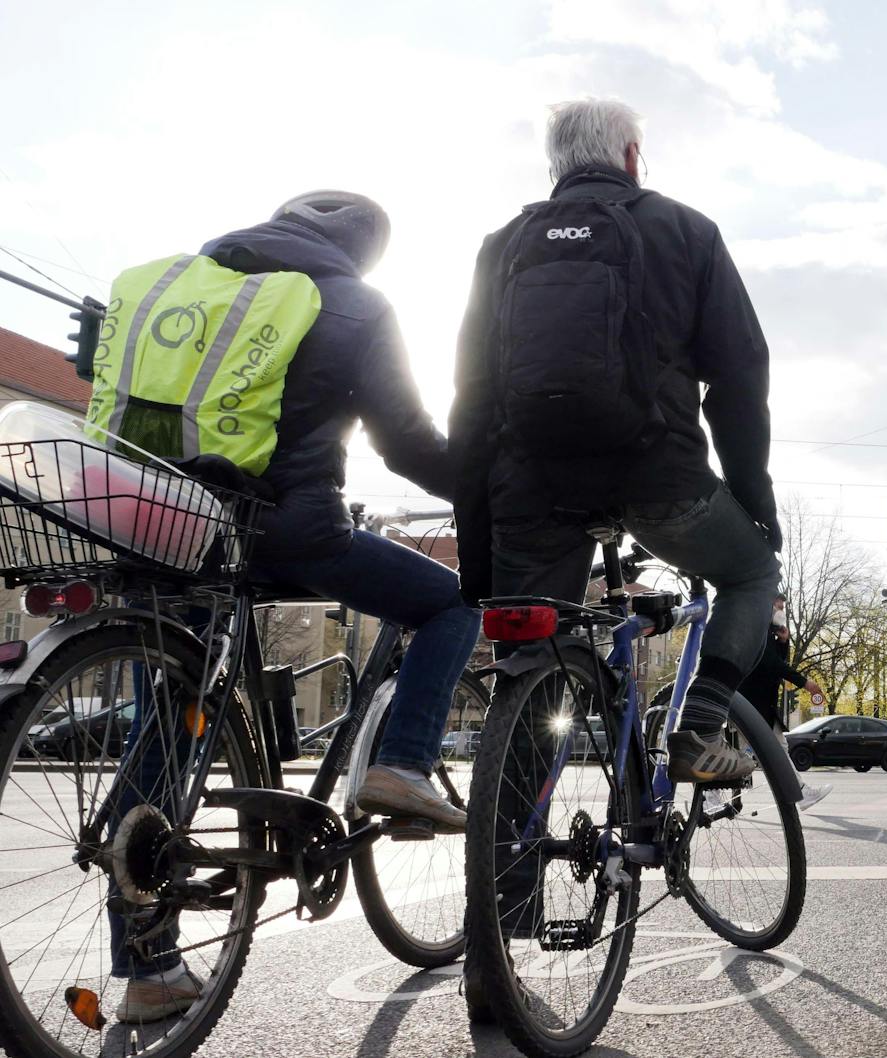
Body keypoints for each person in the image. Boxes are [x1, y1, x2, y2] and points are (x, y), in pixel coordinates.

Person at [109, 192, 483, 1022]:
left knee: (167, 723)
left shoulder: (179, 286)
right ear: (364, 251)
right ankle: (401, 764)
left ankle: (147, 971)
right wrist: (486, 492)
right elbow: (405, 441)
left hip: (152, 520)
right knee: (450, 603)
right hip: (280, 527)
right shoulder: (353, 303)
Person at [452, 99, 780, 783]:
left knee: (534, 669)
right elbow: (739, 376)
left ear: (556, 165)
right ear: (631, 157)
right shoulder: (686, 230)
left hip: (532, 487)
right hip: (659, 478)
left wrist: (479, 552)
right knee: (751, 575)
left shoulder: (502, 244)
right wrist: (755, 502)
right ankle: (698, 728)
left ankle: (507, 845)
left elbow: (472, 396)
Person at [739, 595, 826, 734]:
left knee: (779, 746)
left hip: (764, 708)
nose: (781, 613)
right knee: (762, 746)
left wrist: (782, 642)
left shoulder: (768, 633)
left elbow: (778, 660)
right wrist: (805, 683)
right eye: (779, 608)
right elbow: (774, 663)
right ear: (767, 606)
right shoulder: (757, 630)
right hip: (753, 707)